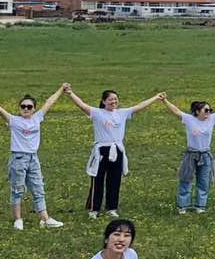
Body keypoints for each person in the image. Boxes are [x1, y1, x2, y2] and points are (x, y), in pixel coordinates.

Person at [62, 85, 165, 218]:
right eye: (110, 100)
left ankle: (112, 208)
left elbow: (140, 106)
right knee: (98, 180)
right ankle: (94, 209)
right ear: (104, 101)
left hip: (117, 149)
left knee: (115, 180)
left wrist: (156, 97)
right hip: (102, 150)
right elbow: (81, 105)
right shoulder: (97, 113)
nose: (113, 102)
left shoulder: (122, 113)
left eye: (115, 99)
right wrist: (70, 93)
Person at [0, 86, 66, 230]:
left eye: (29, 106)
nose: (26, 109)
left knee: (38, 188)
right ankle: (18, 219)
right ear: (19, 108)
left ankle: (45, 219)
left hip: (33, 159)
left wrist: (61, 89)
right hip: (18, 159)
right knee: (18, 189)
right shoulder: (13, 120)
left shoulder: (37, 118)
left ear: (34, 109)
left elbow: (49, 102)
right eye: (23, 106)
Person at [161, 93, 215, 214]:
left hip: (205, 155)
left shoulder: (212, 119)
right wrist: (165, 101)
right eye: (206, 110)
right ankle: (183, 206)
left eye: (210, 110)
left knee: (203, 181)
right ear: (198, 111)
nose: (209, 112)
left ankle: (200, 206)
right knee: (186, 180)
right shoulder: (189, 119)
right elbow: (176, 111)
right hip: (191, 155)